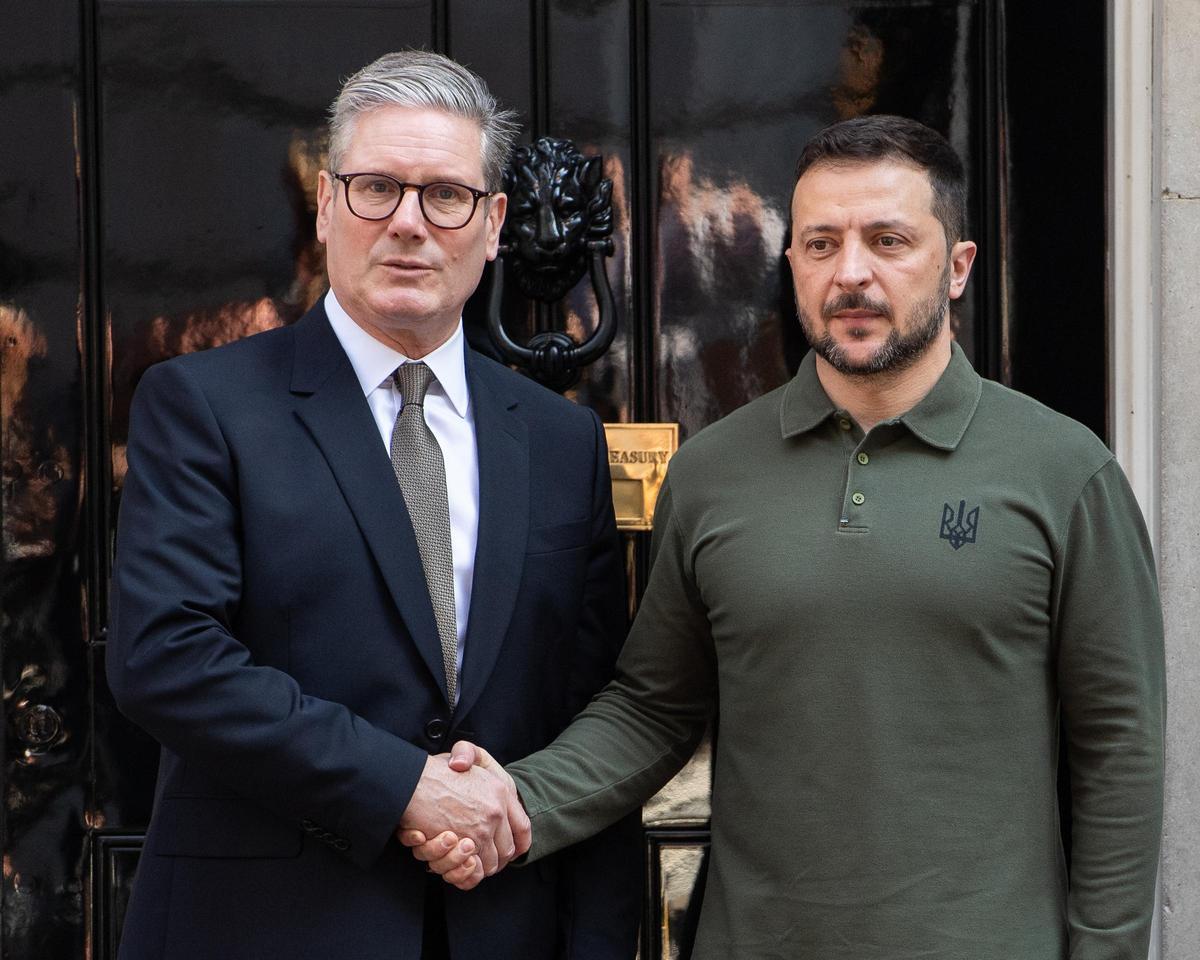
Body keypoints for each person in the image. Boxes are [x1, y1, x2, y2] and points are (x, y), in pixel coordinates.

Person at [407, 115, 1166, 960]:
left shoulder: (1065, 473)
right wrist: (513, 802)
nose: (851, 273)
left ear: (957, 268)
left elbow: (1119, 751)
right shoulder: (713, 473)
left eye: (888, 241)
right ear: (792, 263)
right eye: (819, 244)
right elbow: (653, 710)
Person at [107, 50, 640, 960]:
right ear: (324, 206)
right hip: (263, 928)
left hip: (504, 928)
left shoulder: (561, 443)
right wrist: (405, 785)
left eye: (445, 195)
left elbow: (586, 713)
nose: (409, 223)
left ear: (495, 222)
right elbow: (168, 657)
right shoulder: (203, 406)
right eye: (377, 188)